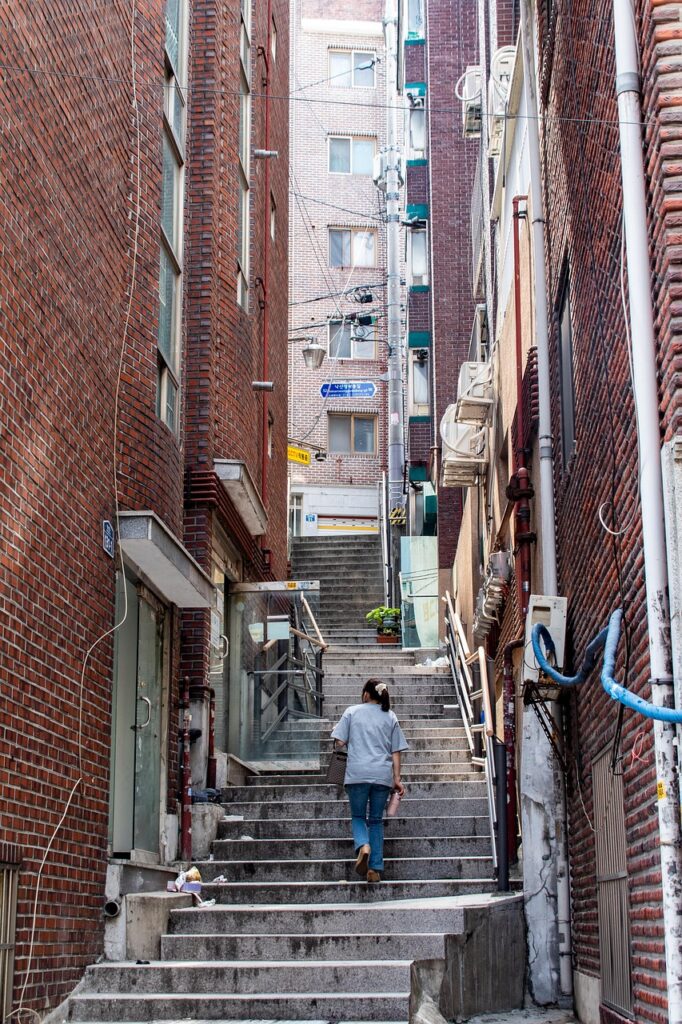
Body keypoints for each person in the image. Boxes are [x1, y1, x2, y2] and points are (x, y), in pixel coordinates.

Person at [330, 677, 408, 883]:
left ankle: (363, 845)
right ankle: (374, 869)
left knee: (358, 817)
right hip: (382, 776)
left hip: (357, 774)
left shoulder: (351, 712)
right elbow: (396, 751)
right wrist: (397, 779)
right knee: (375, 821)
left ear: (365, 694)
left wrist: (340, 737)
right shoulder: (390, 716)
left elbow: (339, 743)